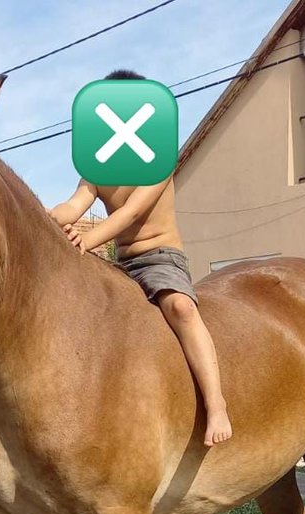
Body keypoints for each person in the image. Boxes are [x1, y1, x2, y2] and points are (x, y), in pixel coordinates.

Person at [49, 69, 232, 446]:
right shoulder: (96, 170)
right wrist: (43, 219)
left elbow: (130, 213)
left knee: (181, 307)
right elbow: (74, 206)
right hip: (121, 265)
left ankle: (216, 403)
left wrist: (90, 238)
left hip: (161, 257)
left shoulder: (158, 162)